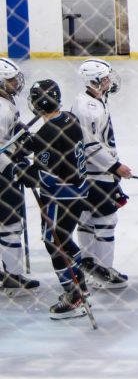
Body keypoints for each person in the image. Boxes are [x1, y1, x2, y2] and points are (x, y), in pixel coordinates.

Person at [16, 80, 90, 319]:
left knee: (54, 241)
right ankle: (81, 285)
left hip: (61, 196)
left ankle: (73, 295)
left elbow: (44, 171)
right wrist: (29, 142)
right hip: (78, 193)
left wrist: (25, 171)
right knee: (64, 239)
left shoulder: (49, 131)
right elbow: (51, 145)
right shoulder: (68, 118)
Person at [72, 58, 132, 289]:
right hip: (97, 174)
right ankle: (103, 270)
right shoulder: (89, 108)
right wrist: (115, 166)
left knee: (87, 217)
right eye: (106, 77)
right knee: (106, 220)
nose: (109, 81)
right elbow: (90, 145)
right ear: (94, 80)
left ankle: (89, 264)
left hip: (89, 173)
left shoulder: (91, 101)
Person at [0, 57, 37, 296]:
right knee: (11, 223)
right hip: (2, 175)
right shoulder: (2, 109)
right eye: (11, 80)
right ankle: (12, 274)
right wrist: (12, 168)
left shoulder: (7, 103)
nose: (16, 83)